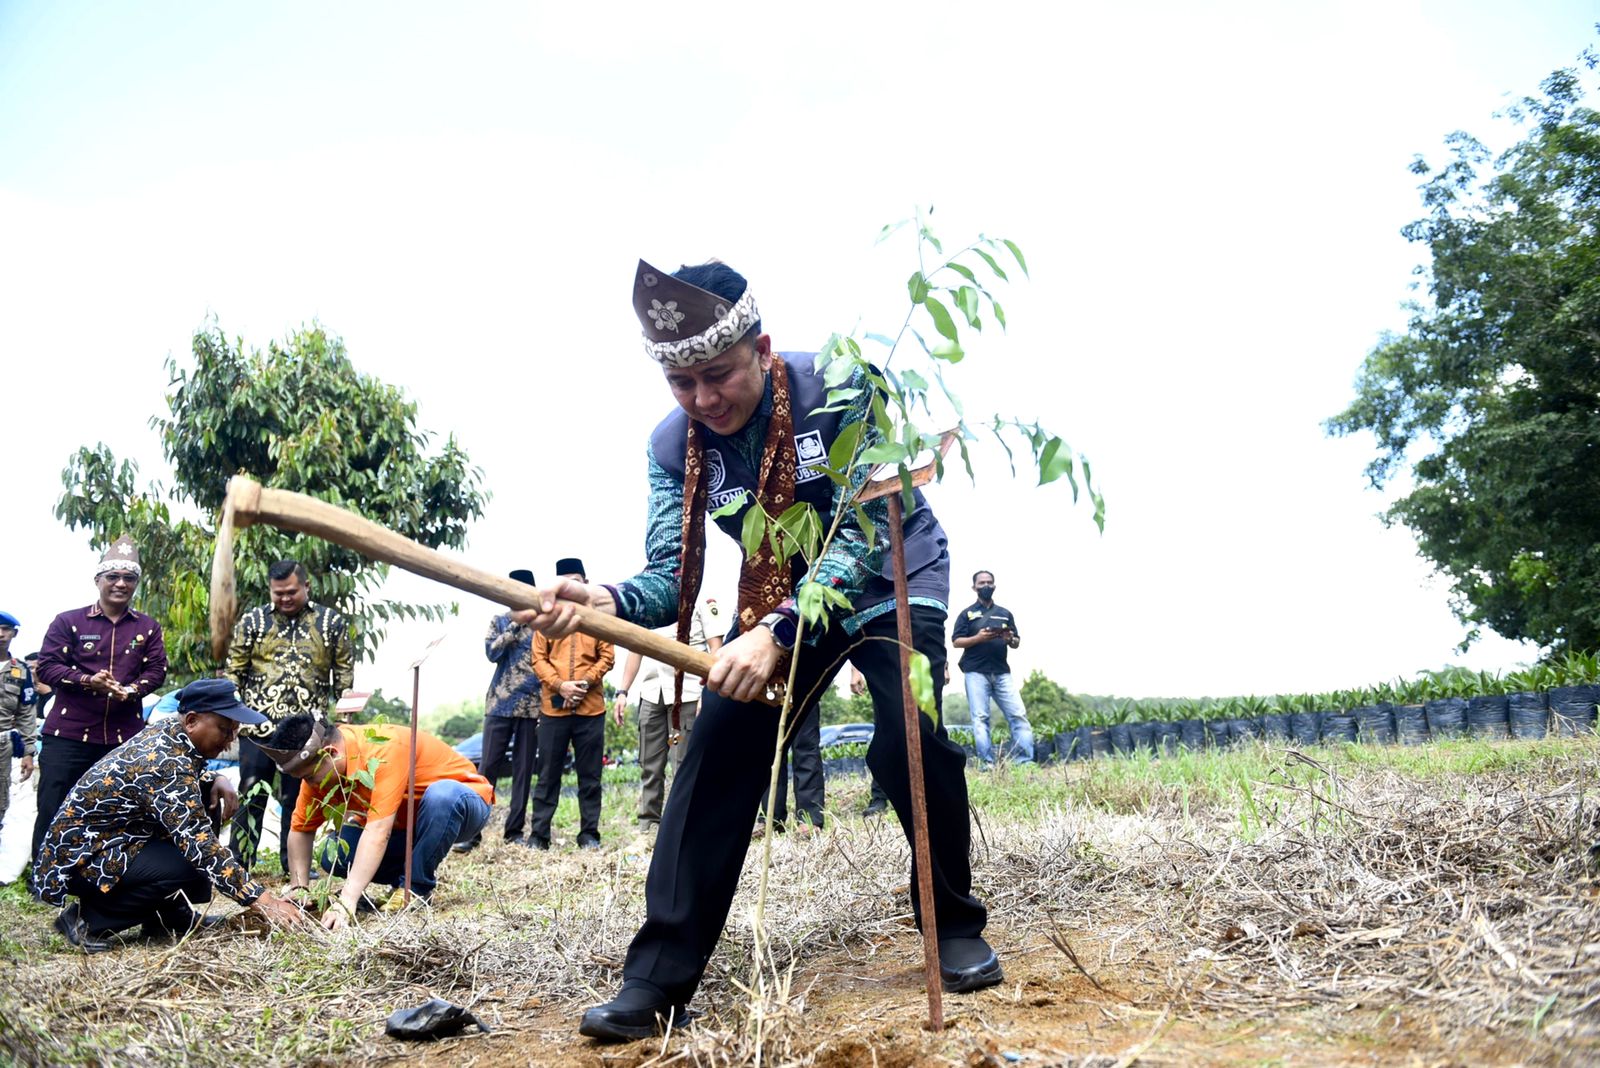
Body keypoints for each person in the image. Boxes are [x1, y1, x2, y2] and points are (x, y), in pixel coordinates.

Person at [518, 260, 1001, 1041]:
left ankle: (951, 925)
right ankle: (656, 977)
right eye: (682, 384)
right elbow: (670, 571)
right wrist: (605, 602)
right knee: (716, 744)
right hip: (778, 609)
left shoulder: (842, 387)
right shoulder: (674, 446)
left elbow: (864, 531)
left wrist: (777, 633)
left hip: (891, 576)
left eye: (717, 376)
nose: (703, 400)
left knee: (904, 733)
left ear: (762, 350)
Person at [32, 679, 306, 952]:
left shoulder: (170, 734)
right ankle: (86, 920)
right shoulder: (164, 761)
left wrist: (216, 777)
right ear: (191, 721)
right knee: (192, 862)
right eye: (224, 730)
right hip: (83, 859)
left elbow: (179, 787)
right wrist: (263, 901)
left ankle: (167, 915)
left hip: (114, 843)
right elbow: (201, 847)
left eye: (234, 731)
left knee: (204, 798)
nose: (229, 741)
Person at [260, 713, 493, 927]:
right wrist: (300, 887)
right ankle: (405, 875)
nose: (309, 785)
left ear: (331, 753)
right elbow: (301, 829)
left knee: (442, 796)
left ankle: (415, 888)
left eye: (309, 777)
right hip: (404, 828)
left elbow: (378, 832)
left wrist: (347, 900)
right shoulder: (318, 771)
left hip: (463, 804)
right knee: (334, 854)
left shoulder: (382, 750)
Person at [32, 536, 168, 867]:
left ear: (136, 583)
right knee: (54, 802)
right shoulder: (69, 621)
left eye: (129, 578)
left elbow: (157, 671)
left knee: (117, 808)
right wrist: (87, 681)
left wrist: (131, 691)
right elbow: (47, 666)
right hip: (68, 733)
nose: (121, 584)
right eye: (113, 577)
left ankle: (105, 872)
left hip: (123, 738)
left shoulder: (147, 627)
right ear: (98, 581)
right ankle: (44, 874)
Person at [226, 558, 355, 871]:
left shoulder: (331, 623)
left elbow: (345, 675)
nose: (284, 598)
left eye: (291, 592)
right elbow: (234, 670)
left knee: (299, 797)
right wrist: (232, 715)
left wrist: (343, 721)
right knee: (251, 791)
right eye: (278, 592)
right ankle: (239, 864)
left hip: (306, 733)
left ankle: (294, 864)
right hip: (257, 726)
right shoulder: (253, 620)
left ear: (306, 587)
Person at [614, 597, 722, 837]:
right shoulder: (651, 601)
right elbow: (635, 648)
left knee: (684, 765)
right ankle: (648, 827)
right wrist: (622, 691)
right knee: (649, 764)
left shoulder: (702, 600)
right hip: (652, 694)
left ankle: (685, 827)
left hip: (688, 695)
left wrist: (709, 692)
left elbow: (716, 649)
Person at [528, 558, 615, 851]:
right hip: (553, 709)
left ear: (585, 584)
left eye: (576, 581)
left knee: (590, 776)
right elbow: (538, 660)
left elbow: (608, 657)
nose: (570, 588)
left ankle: (589, 834)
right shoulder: (546, 621)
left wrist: (585, 683)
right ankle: (539, 836)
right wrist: (561, 685)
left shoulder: (600, 620)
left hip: (591, 709)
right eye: (565, 583)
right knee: (548, 774)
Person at [472, 568, 543, 847]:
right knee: (486, 768)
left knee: (523, 772)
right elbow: (492, 653)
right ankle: (472, 832)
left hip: (532, 707)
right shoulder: (500, 620)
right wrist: (515, 624)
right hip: (499, 704)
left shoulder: (544, 625)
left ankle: (514, 833)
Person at [951, 570, 1033, 766]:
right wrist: (977, 638)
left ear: (994, 585)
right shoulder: (966, 614)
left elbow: (1016, 642)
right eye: (982, 583)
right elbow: (956, 642)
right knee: (980, 718)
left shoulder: (1005, 613)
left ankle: (1025, 761)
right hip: (975, 672)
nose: (986, 586)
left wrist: (1010, 639)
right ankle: (987, 763)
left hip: (1002, 672)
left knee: (1018, 714)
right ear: (974, 587)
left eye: (989, 582)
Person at [1, 612, 38, 835]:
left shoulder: (21, 670)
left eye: (5, 629)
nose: (0, 634)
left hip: (2, 741)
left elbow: (27, 713)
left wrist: (28, 753)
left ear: (14, 633)